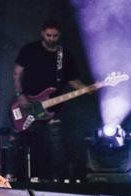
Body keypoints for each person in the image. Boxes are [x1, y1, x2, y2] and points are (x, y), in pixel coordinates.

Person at [11, 19, 85, 182]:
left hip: (53, 108)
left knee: (56, 145)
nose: (51, 38)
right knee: (21, 141)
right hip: (28, 105)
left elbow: (73, 80)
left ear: (60, 35)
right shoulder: (30, 50)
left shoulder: (64, 55)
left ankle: (54, 181)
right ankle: (16, 177)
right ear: (42, 34)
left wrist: (89, 88)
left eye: (55, 36)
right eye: (48, 35)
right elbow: (16, 74)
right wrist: (20, 95)